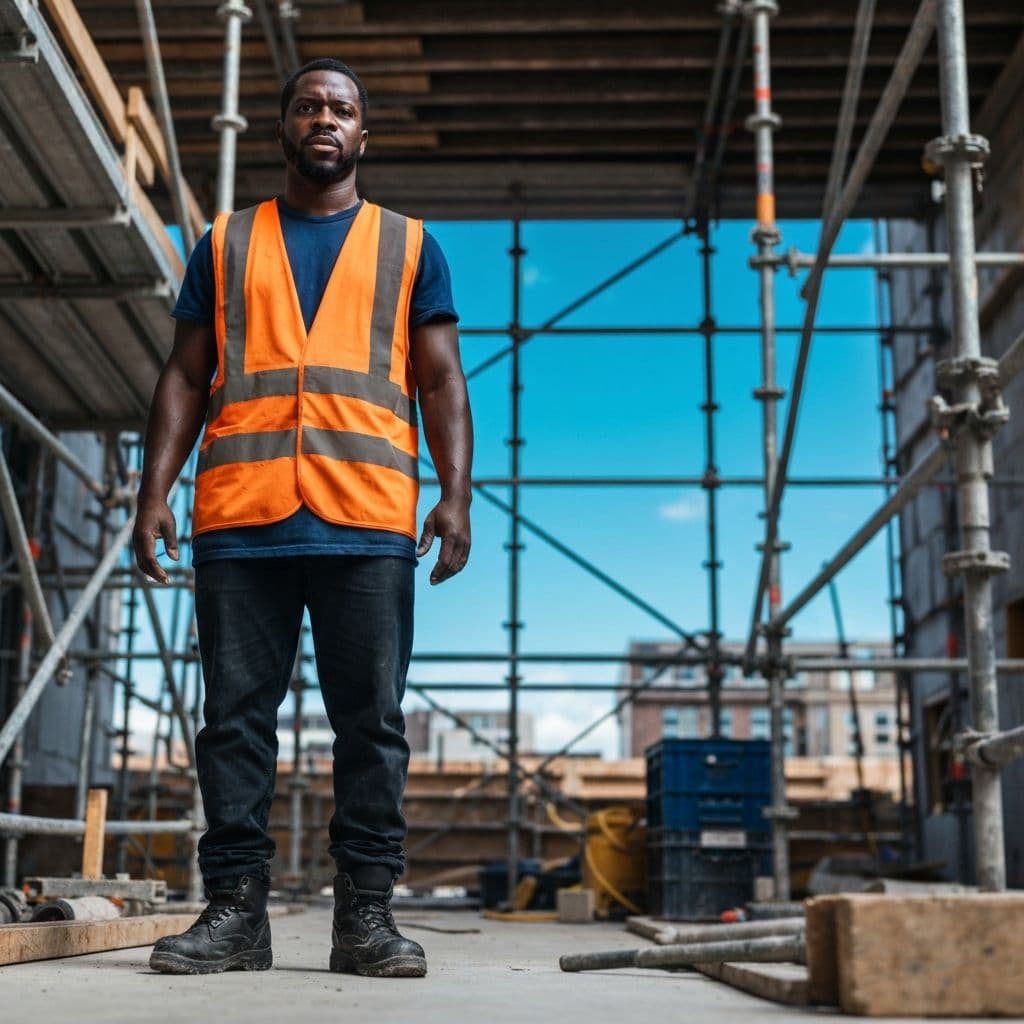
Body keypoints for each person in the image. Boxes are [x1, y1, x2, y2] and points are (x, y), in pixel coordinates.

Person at [133, 57, 472, 979]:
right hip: (242, 518)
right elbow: (182, 374)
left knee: (372, 724)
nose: (325, 118)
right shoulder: (227, 241)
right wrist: (154, 490)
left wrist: (455, 492)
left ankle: (365, 919)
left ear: (364, 135)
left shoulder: (409, 245)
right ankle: (235, 916)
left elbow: (439, 376)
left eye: (343, 109)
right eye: (309, 106)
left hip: (365, 517)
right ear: (283, 127)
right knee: (233, 721)